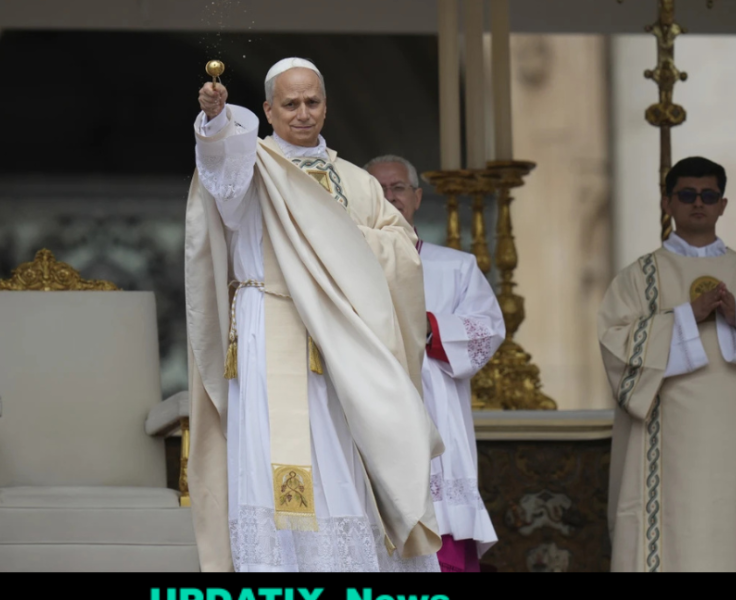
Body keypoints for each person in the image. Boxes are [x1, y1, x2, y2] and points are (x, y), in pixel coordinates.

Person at [185, 58, 443, 572]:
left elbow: (404, 251)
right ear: (267, 110)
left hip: (341, 337)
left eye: (312, 102)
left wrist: (343, 240)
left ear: (326, 106)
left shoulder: (357, 182)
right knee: (272, 458)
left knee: (341, 452)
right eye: (290, 104)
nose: (302, 114)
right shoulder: (252, 165)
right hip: (270, 325)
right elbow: (221, 174)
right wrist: (215, 122)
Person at [598, 156, 736, 572]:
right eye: (687, 195)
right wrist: (686, 316)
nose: (699, 204)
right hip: (668, 436)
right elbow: (615, 343)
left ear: (722, 205)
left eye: (709, 195)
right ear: (667, 203)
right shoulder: (639, 278)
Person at [365, 155, 503, 572]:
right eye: (378, 190)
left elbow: (488, 329)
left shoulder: (456, 267)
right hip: (368, 416)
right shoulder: (341, 267)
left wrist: (425, 326)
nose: (389, 198)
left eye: (398, 188)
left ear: (418, 197)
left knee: (443, 550)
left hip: (436, 421)